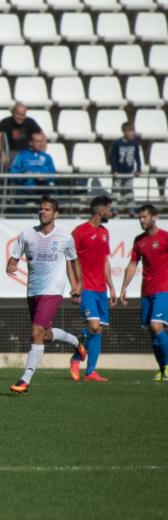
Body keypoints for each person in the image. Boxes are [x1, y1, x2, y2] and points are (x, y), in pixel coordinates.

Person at [7, 196, 85, 394]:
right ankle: (77, 342)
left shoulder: (64, 237)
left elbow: (74, 261)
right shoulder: (27, 234)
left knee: (35, 333)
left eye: (47, 209)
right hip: (33, 291)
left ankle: (25, 380)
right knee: (45, 335)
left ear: (55, 214)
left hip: (53, 291)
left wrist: (77, 285)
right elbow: (14, 256)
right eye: (41, 209)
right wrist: (11, 264)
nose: (43, 212)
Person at [70, 196, 117, 383]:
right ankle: (75, 357)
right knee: (94, 326)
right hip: (86, 287)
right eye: (109, 209)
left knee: (99, 331)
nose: (111, 212)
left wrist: (111, 287)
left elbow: (105, 261)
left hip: (101, 290)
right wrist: (75, 287)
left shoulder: (105, 232)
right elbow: (71, 261)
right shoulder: (79, 232)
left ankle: (90, 372)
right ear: (101, 210)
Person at [120, 204, 168, 381]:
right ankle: (162, 368)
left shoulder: (165, 237)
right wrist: (124, 286)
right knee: (152, 331)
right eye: (139, 217)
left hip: (164, 288)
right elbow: (133, 264)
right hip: (147, 290)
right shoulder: (139, 240)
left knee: (157, 326)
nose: (141, 220)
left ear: (154, 217)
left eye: (144, 217)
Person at [9, 132, 56, 205]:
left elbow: (52, 173)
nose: (40, 144)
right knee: (19, 200)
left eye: (42, 141)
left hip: (42, 188)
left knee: (51, 198)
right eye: (37, 141)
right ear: (31, 143)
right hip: (25, 187)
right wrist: (24, 174)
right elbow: (13, 172)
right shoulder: (22, 155)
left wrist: (45, 177)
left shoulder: (47, 157)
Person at [0, 103, 42, 170]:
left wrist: (42, 152)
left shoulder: (30, 122)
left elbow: (41, 135)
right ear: (13, 112)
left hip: (27, 152)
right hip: (10, 152)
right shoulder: (4, 122)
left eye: (23, 115)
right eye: (18, 114)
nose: (20, 117)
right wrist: (1, 153)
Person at [110, 122, 143, 218]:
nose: (133, 133)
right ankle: (114, 209)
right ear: (124, 132)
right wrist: (114, 170)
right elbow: (113, 158)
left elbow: (137, 157)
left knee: (129, 191)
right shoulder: (117, 143)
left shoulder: (135, 143)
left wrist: (138, 169)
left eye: (133, 131)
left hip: (129, 173)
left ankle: (131, 210)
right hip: (118, 173)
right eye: (130, 131)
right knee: (116, 191)